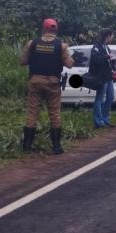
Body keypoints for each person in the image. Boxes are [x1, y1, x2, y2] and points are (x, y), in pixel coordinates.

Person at [20, 18, 74, 154]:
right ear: (55, 30)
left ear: (43, 29)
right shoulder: (61, 46)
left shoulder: (32, 43)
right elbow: (69, 64)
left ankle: (26, 146)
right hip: (53, 83)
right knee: (55, 114)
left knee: (32, 113)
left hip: (35, 81)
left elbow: (23, 61)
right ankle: (56, 147)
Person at [90, 29, 115, 129]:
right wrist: (107, 56)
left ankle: (105, 119)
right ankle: (98, 122)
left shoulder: (107, 47)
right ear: (107, 36)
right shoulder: (97, 47)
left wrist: (114, 60)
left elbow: (109, 61)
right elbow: (96, 60)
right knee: (99, 99)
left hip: (109, 76)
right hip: (101, 77)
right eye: (112, 36)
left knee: (110, 97)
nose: (112, 38)